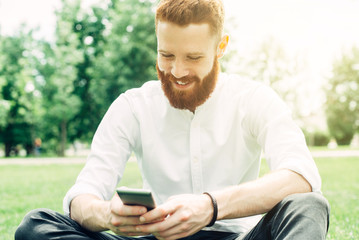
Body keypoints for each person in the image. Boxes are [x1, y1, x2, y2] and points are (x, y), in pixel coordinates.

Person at [15, 0, 330, 239]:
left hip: (237, 236)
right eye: (166, 55)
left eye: (193, 58)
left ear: (221, 47)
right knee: (36, 225)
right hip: (156, 238)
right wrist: (108, 214)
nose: (177, 72)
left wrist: (210, 206)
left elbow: (301, 176)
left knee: (308, 206)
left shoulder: (253, 99)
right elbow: (81, 196)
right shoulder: (133, 106)